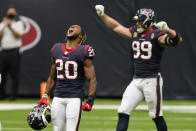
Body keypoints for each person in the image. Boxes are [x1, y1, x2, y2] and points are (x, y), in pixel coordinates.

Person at [95, 5, 182, 131]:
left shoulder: (157, 34)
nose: (138, 23)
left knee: (156, 116)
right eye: (137, 21)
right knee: (123, 111)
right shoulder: (135, 32)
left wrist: (168, 30)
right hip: (136, 80)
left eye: (140, 21)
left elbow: (177, 41)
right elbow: (116, 27)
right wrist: (102, 15)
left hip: (152, 80)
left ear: (149, 21)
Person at [37, 25, 97, 131]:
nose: (71, 27)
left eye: (75, 27)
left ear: (81, 36)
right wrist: (45, 96)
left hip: (74, 97)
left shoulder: (84, 50)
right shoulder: (57, 48)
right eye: (70, 27)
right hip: (58, 97)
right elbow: (52, 77)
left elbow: (92, 79)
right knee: (58, 129)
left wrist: (90, 100)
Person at [0, 6, 24, 100]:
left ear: (15, 14)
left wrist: (10, 27)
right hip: (3, 51)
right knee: (2, 74)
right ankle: (1, 95)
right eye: (9, 12)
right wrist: (5, 25)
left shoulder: (19, 24)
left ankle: (13, 96)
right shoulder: (2, 24)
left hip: (14, 51)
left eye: (12, 12)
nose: (10, 14)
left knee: (14, 75)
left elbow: (19, 36)